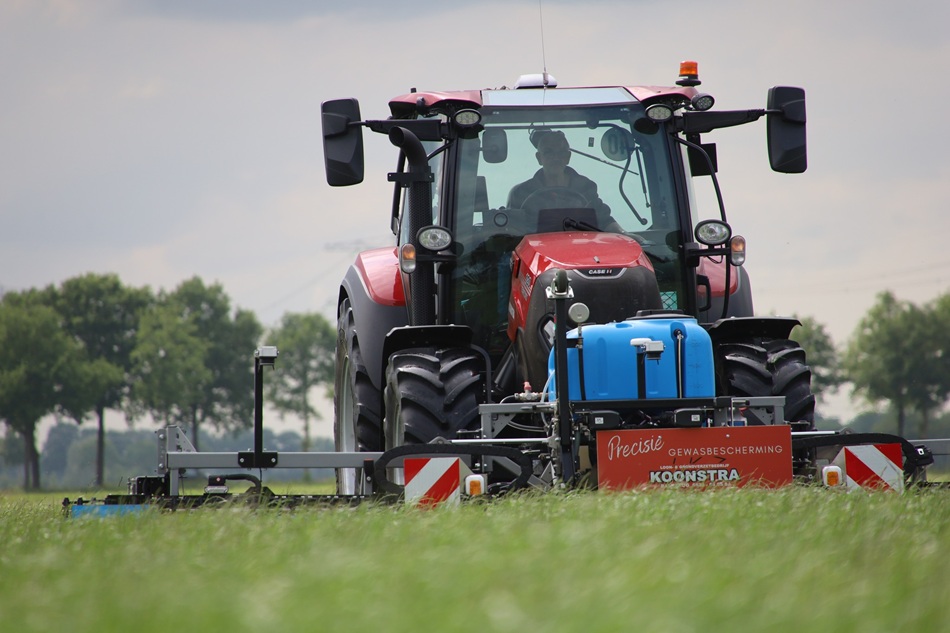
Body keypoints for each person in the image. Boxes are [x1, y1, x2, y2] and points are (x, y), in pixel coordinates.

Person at [506, 129, 620, 232]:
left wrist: (624, 234)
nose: (556, 157)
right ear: (539, 158)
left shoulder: (585, 188)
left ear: (568, 157)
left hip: (582, 250)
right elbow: (512, 233)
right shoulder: (521, 194)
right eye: (548, 152)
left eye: (561, 152)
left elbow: (605, 221)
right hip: (534, 253)